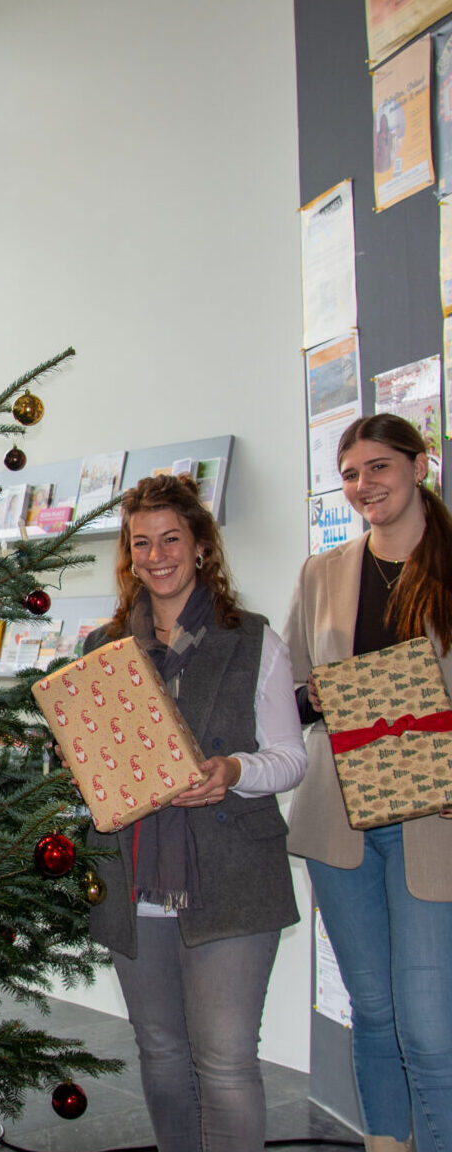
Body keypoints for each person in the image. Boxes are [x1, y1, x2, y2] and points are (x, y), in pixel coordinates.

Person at [81, 473, 305, 1152]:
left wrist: (233, 772)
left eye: (171, 538)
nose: (157, 555)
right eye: (141, 542)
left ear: (202, 547)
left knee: (228, 1062)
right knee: (161, 1053)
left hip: (233, 878)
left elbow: (291, 757)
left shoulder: (255, 641)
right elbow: (87, 764)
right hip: (136, 877)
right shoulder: (102, 651)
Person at [284, 414, 452, 1152]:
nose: (363, 486)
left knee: (427, 1022)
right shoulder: (324, 572)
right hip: (339, 818)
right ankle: (387, 1142)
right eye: (350, 474)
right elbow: (286, 690)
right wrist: (311, 696)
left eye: (378, 468)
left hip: (433, 818)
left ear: (420, 467)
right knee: (373, 1011)